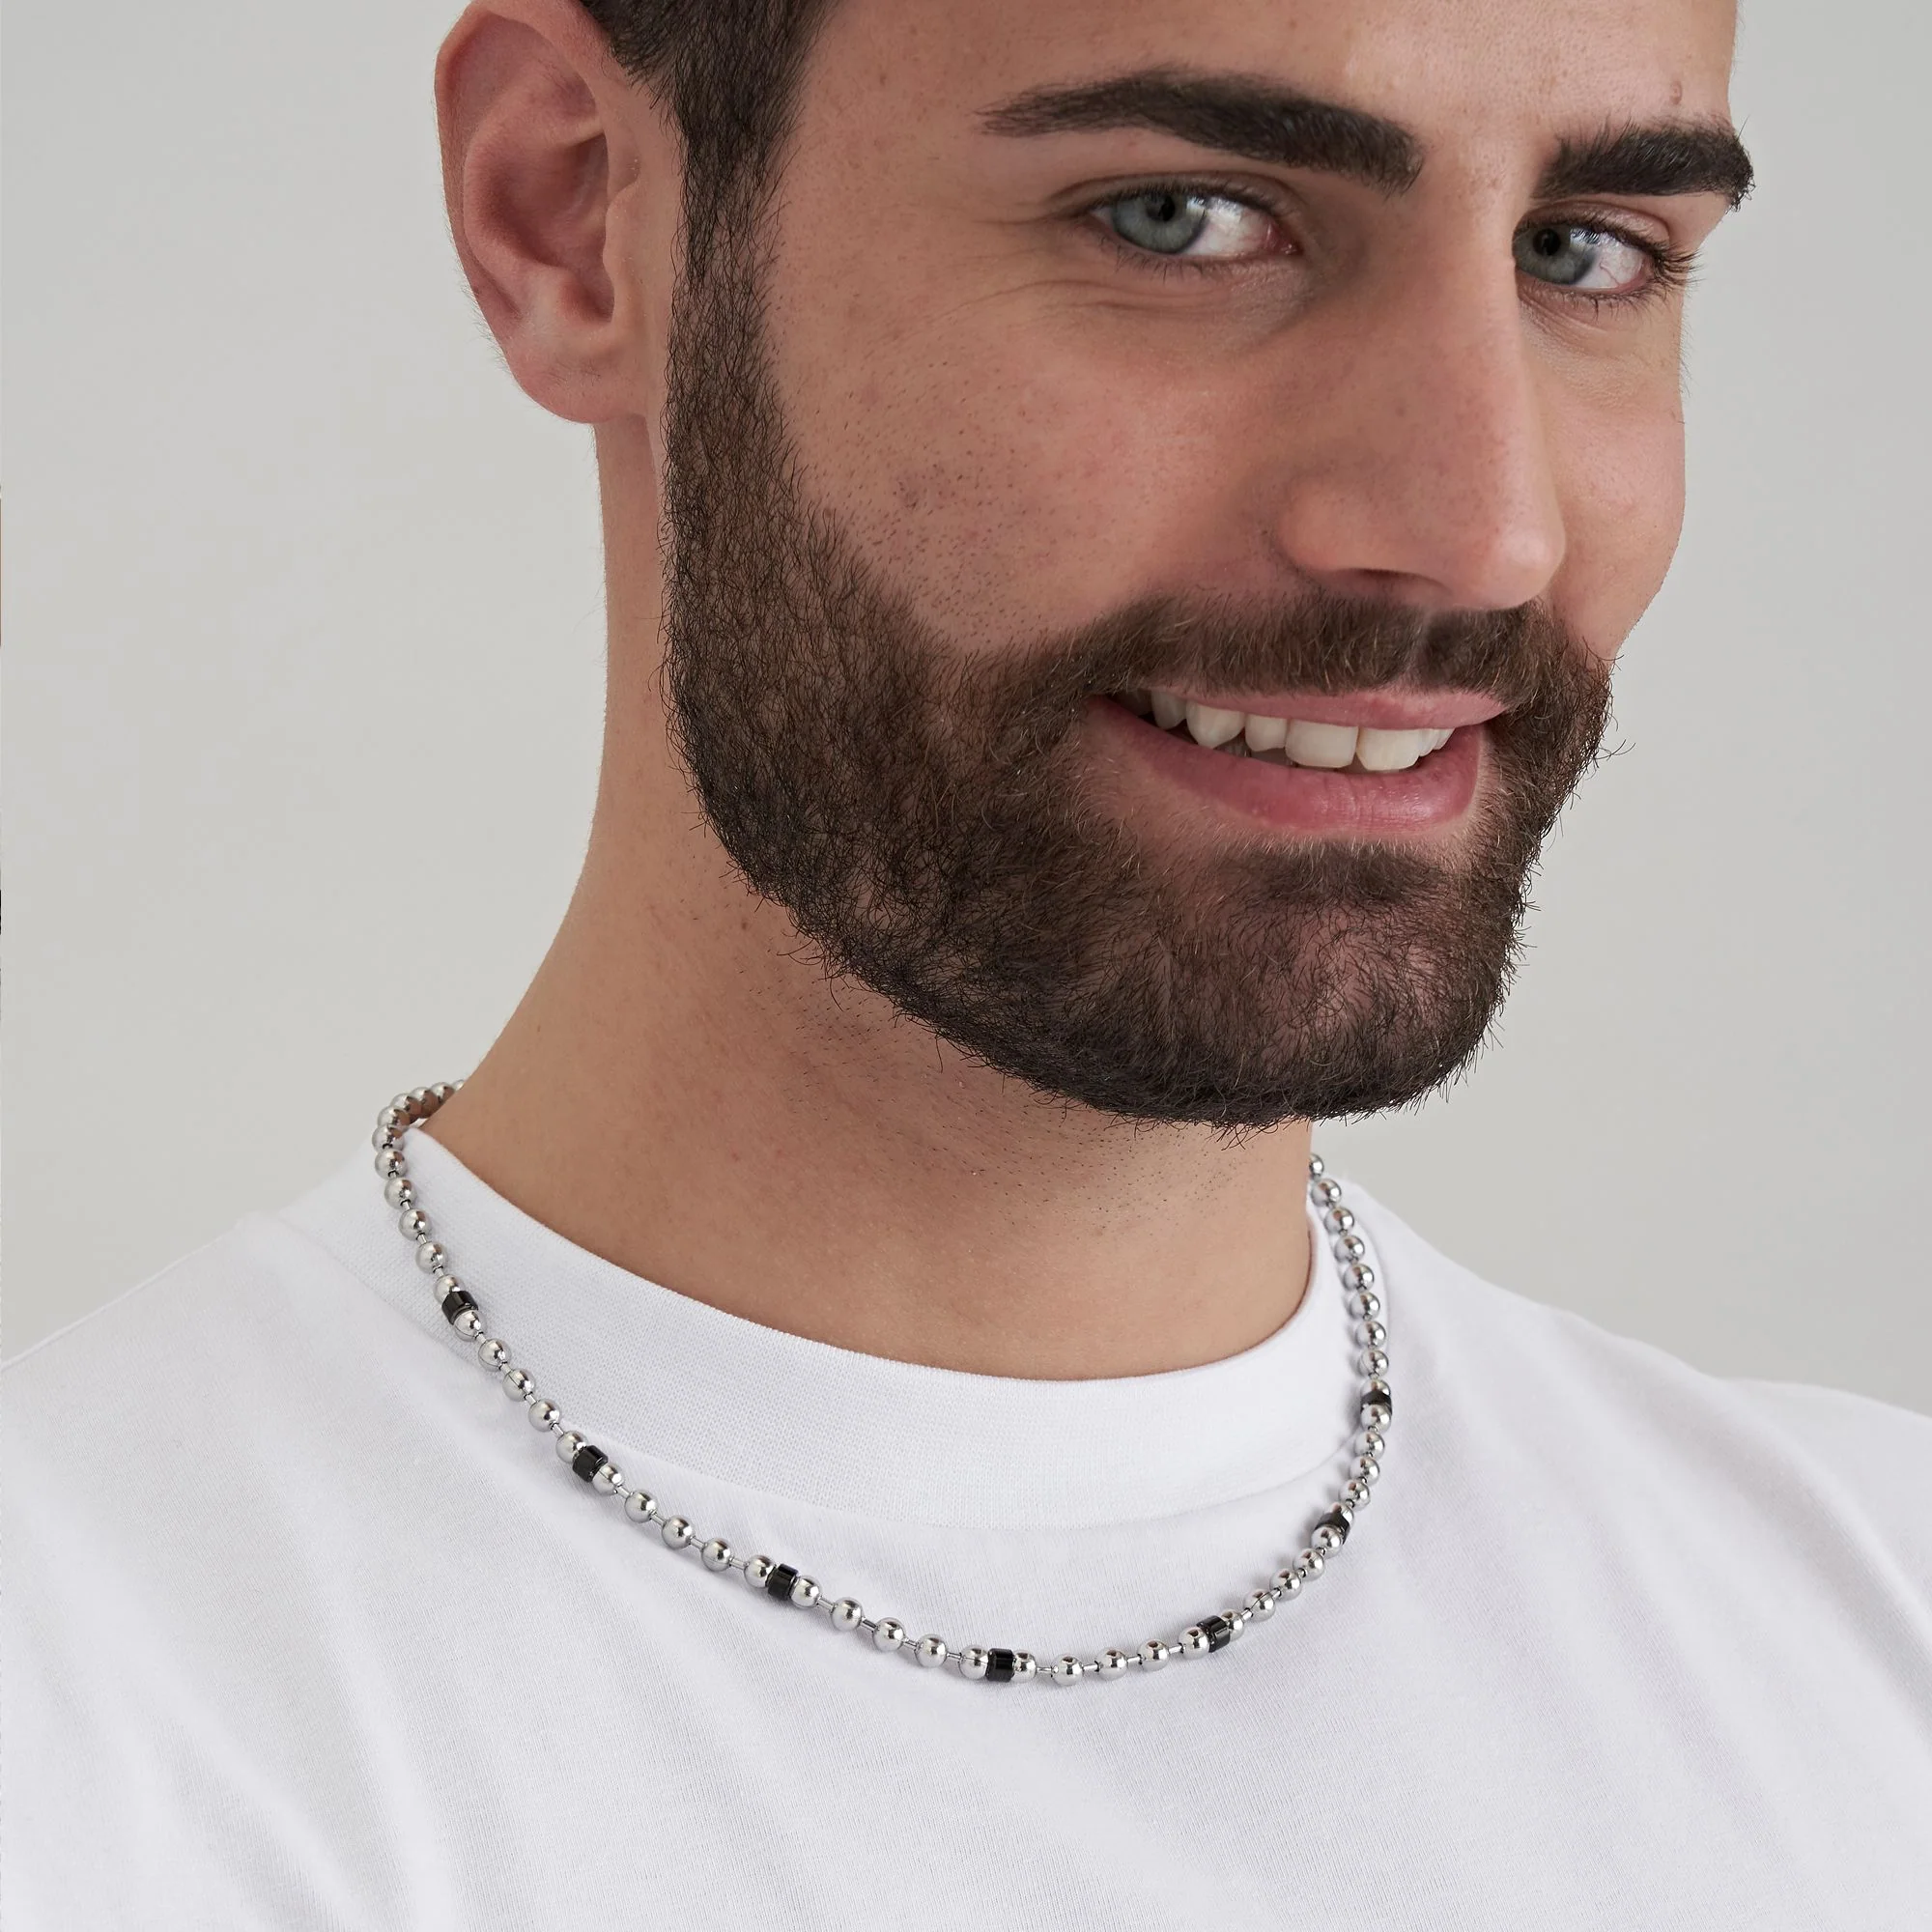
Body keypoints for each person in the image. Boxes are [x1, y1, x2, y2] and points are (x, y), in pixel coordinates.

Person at [7, 0, 1929, 1922]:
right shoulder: (84, 1721)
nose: (1483, 531)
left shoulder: (1874, 1628)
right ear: (574, 219)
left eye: (1583, 252)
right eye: (1183, 217)